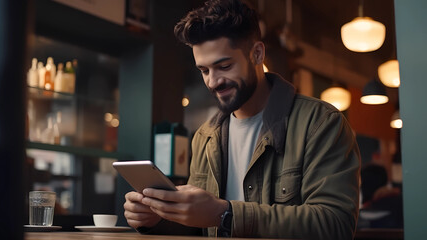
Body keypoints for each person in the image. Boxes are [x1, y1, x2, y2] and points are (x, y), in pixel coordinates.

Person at [123, 0, 361, 239]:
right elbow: (198, 227)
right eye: (204, 70)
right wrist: (158, 218)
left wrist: (225, 214)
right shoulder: (205, 137)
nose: (213, 81)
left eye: (224, 66)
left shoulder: (320, 123)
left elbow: (336, 225)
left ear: (257, 54)